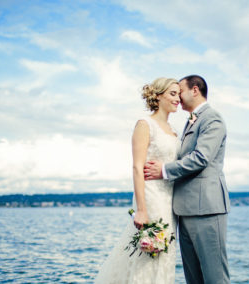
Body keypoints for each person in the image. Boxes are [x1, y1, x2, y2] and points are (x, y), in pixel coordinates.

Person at [144, 75, 231, 284]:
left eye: (179, 91)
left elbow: (201, 158)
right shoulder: (191, 120)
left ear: (194, 90)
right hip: (185, 210)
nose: (178, 97)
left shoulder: (212, 118)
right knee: (194, 278)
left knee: (214, 277)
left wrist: (164, 170)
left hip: (207, 209)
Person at [95, 77, 181, 284]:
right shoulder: (145, 125)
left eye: (178, 94)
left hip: (169, 200)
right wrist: (141, 209)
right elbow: (137, 167)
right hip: (151, 197)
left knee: (164, 254)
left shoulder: (174, 132)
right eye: (172, 93)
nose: (178, 98)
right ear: (158, 96)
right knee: (148, 255)